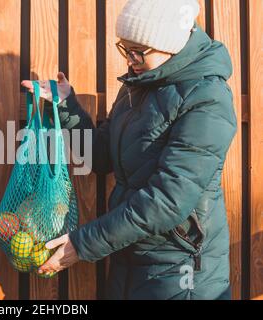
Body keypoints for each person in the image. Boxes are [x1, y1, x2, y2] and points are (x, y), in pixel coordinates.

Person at [21, 0, 237, 300]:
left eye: (139, 50)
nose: (130, 58)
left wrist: (83, 244)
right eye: (125, 48)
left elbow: (169, 200)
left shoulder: (207, 98)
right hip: (128, 256)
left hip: (181, 269)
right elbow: (101, 157)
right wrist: (66, 106)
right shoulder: (137, 85)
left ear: (169, 43)